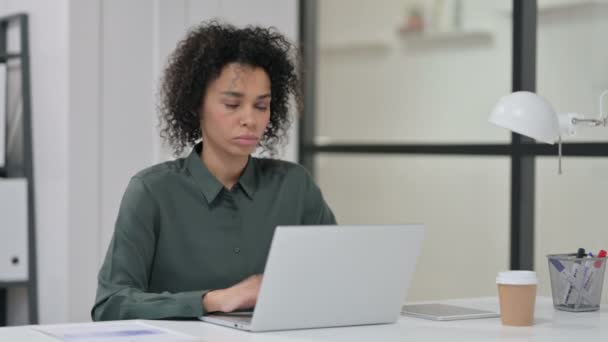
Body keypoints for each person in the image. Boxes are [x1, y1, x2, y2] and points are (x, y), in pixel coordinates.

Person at [91, 21, 336, 321]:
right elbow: (111, 304)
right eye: (232, 104)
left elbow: (336, 280)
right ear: (196, 106)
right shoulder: (151, 191)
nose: (250, 119)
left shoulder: (295, 185)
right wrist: (214, 300)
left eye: (261, 106)